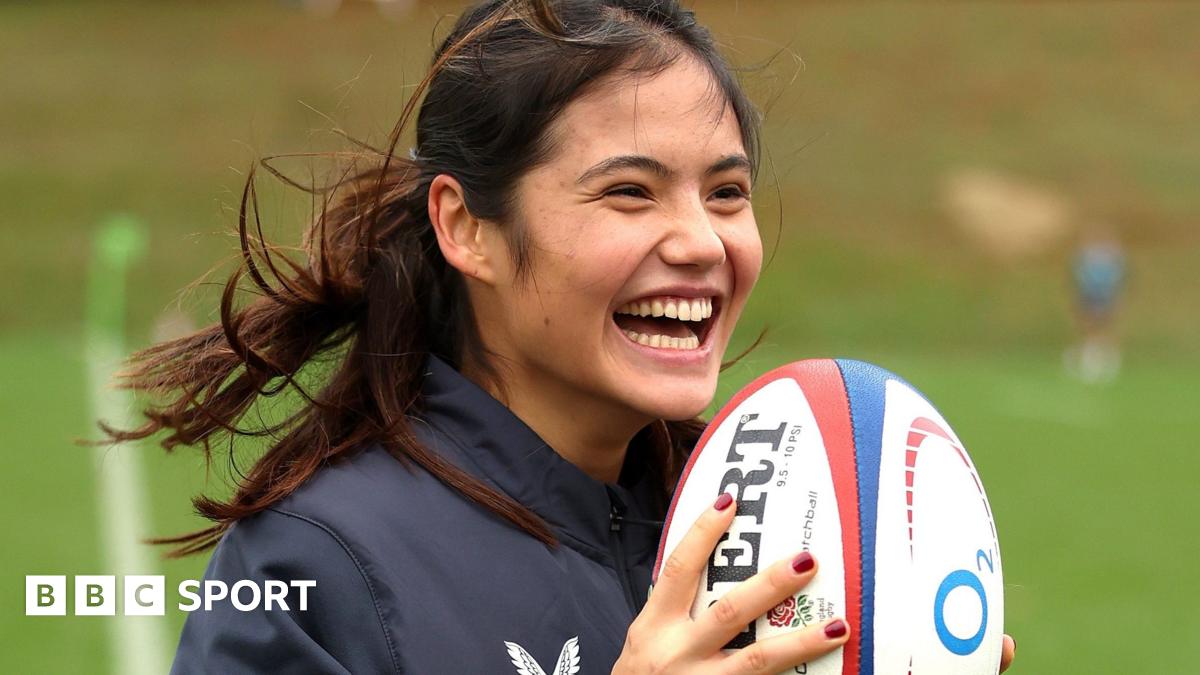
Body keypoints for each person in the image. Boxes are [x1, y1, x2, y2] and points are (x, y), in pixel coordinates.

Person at [102, 1, 1016, 672]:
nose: (701, 241)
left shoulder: (759, 525)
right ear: (466, 228)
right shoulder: (315, 563)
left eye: (726, 192)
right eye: (630, 191)